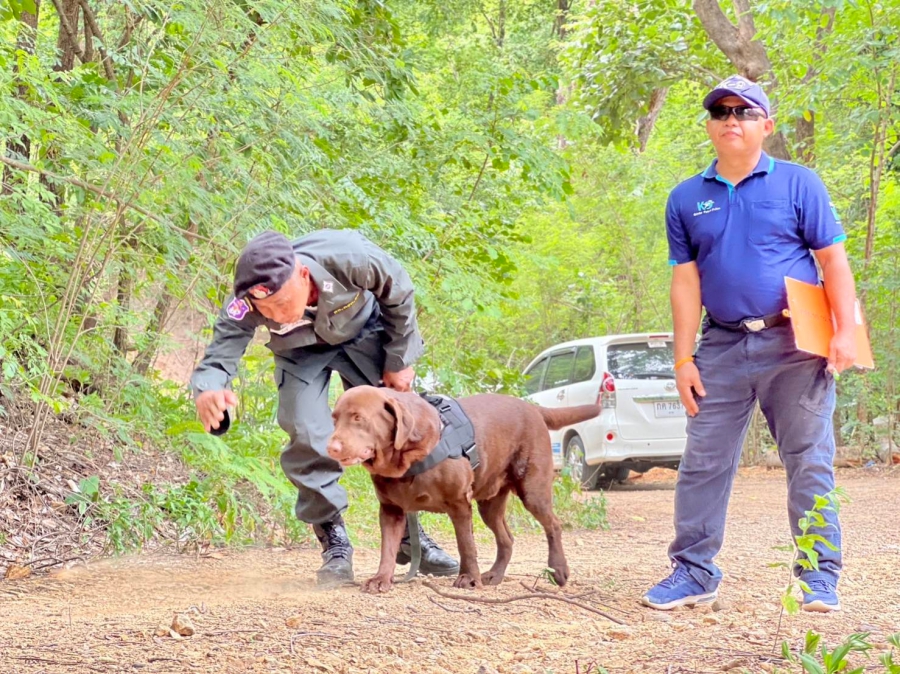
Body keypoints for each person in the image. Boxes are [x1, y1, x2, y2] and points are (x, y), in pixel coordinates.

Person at [642, 76, 857, 613]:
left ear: (767, 124)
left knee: (809, 459)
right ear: (709, 126)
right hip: (721, 345)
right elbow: (685, 281)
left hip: (796, 343)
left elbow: (832, 260)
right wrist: (683, 358)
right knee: (702, 462)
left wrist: (845, 329)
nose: (731, 120)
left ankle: (818, 576)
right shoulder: (686, 198)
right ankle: (693, 572)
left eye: (744, 111)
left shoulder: (799, 184)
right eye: (720, 112)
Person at [190, 229, 459, 585]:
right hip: (298, 351)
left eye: (283, 304)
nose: (278, 315)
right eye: (266, 311)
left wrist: (399, 358)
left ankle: (410, 536)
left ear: (303, 275)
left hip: (366, 333)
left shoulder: (350, 257)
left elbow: (399, 293)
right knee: (303, 426)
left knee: (392, 428)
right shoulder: (247, 300)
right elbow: (220, 353)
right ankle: (334, 540)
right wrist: (210, 388)